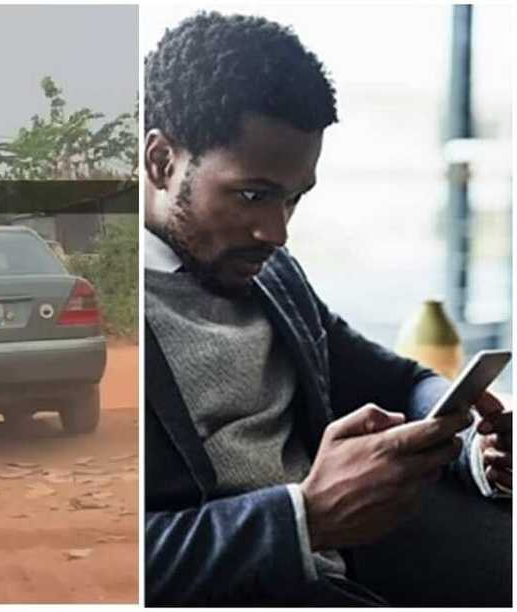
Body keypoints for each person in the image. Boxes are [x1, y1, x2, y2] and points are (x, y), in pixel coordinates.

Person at [143, 12, 512, 605]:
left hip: (351, 565)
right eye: (253, 195)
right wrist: (303, 517)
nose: (276, 232)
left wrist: (476, 444)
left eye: (294, 199)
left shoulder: (270, 271)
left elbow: (396, 380)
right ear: (161, 162)